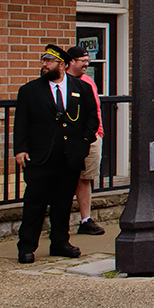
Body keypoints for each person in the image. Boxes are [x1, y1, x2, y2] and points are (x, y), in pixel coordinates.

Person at [13, 44, 98, 264]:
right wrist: (20, 149)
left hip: (69, 156)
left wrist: (85, 141)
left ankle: (60, 242)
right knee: (35, 203)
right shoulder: (30, 91)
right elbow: (21, 123)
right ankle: (27, 246)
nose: (44, 65)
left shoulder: (81, 88)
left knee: (62, 202)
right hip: (41, 156)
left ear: (62, 64)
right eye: (43, 61)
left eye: (48, 61)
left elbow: (91, 118)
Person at [65, 45, 105, 236]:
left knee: (85, 178)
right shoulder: (63, 82)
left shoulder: (88, 82)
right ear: (71, 62)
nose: (86, 64)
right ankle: (61, 221)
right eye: (83, 61)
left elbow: (94, 110)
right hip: (69, 138)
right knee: (65, 178)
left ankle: (85, 219)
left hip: (92, 136)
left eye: (87, 61)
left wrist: (98, 132)